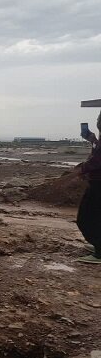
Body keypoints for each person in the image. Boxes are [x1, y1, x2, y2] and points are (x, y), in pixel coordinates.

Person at [77, 112, 101, 263]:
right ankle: (98, 245)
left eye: (100, 119)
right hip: (96, 182)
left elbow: (98, 160)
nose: (98, 121)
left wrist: (82, 169)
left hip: (99, 184)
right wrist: (93, 140)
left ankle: (99, 252)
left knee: (87, 218)